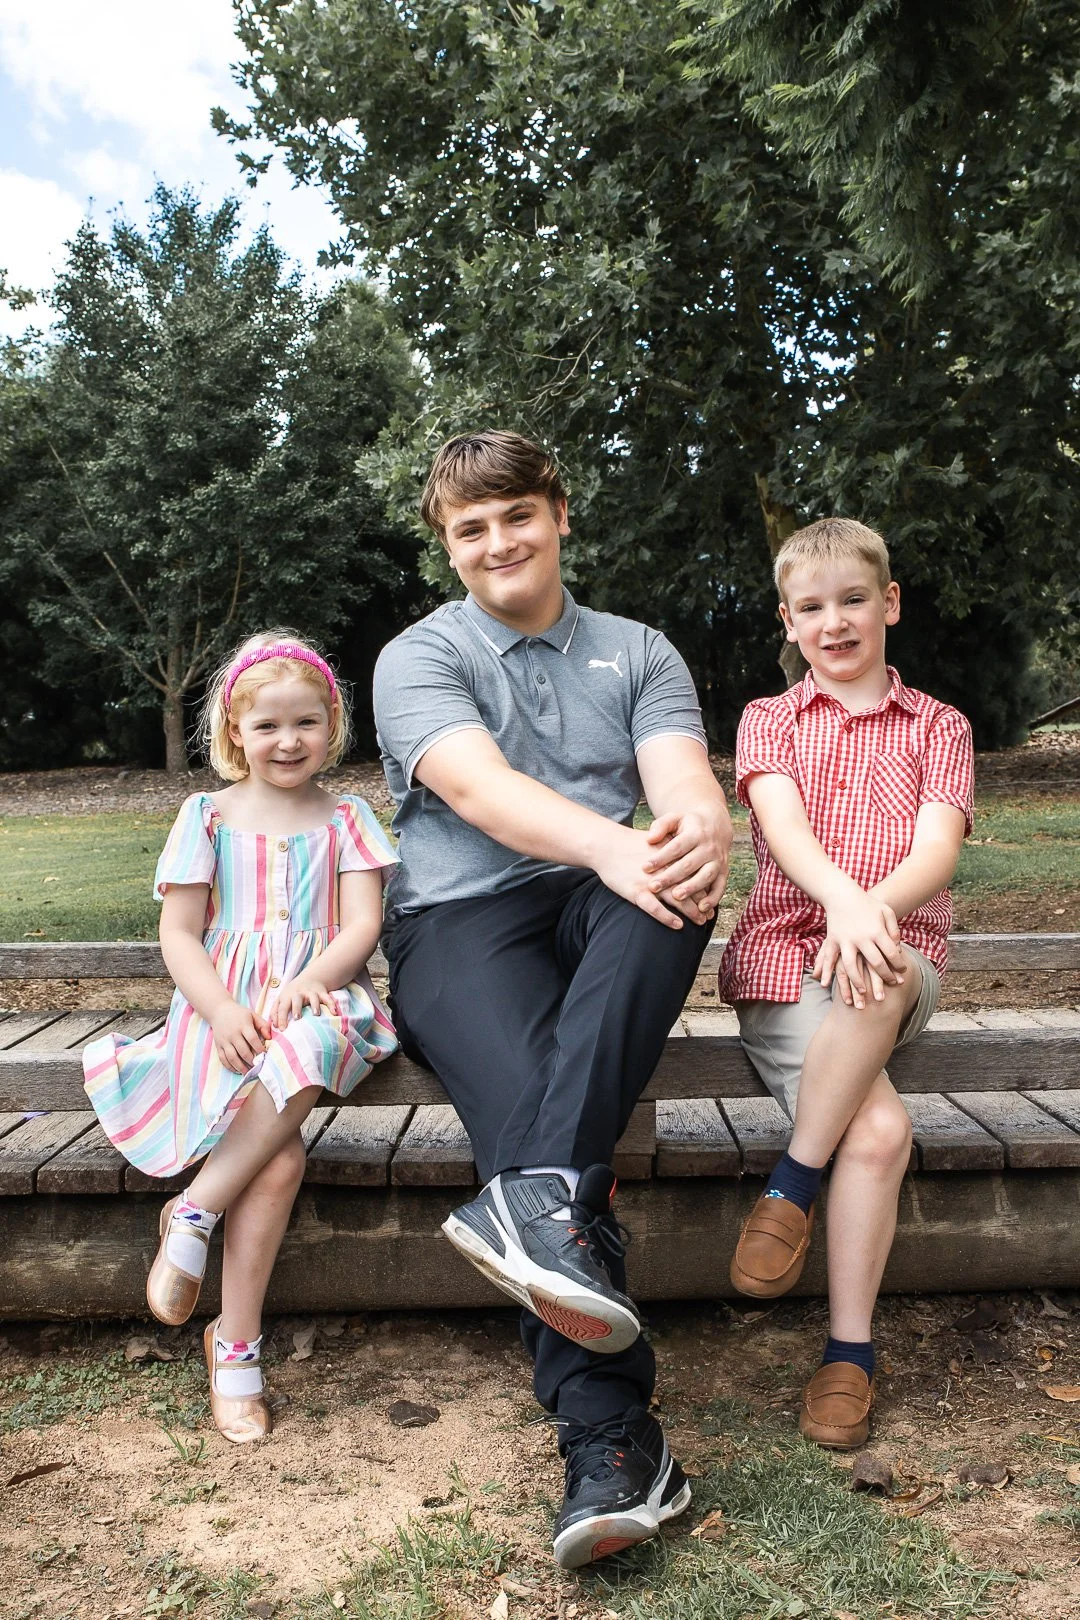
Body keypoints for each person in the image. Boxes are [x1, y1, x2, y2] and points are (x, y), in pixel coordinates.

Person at [374, 430, 732, 1569]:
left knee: (670, 882)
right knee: (536, 1093)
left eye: (515, 517)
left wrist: (686, 828)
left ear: (560, 515)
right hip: (458, 920)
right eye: (469, 530)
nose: (496, 544)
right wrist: (620, 849)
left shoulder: (638, 652)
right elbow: (480, 794)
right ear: (447, 545)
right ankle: (615, 1441)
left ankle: (539, 1204)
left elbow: (678, 786)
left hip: (602, 902)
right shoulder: (416, 657)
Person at [83, 631, 398, 1444]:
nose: (287, 741)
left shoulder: (349, 817)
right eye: (267, 726)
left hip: (318, 1002)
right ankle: (235, 1349)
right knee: (281, 1155)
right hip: (224, 1013)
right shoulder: (208, 816)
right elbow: (181, 934)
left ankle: (192, 1212)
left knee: (303, 1048)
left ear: (332, 724)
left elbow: (362, 923)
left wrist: (313, 979)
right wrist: (224, 1010)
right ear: (234, 735)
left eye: (305, 723)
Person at [720, 518, 973, 1449]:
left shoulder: (940, 726)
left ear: (889, 604)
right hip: (787, 962)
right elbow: (782, 826)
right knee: (881, 1129)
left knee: (884, 962)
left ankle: (790, 1184)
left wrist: (872, 914)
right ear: (789, 622)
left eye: (854, 600)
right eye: (813, 608)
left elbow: (938, 849)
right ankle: (848, 1353)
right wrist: (842, 902)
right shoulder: (767, 720)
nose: (835, 622)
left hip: (897, 969)